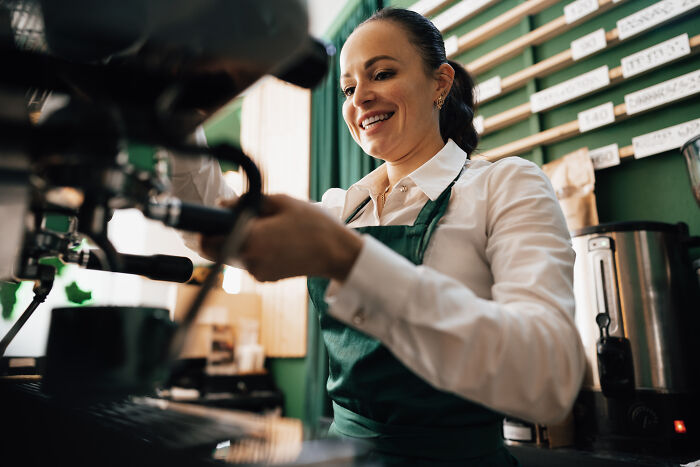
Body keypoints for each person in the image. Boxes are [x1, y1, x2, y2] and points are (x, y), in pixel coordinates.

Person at [182, 8, 585, 466]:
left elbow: (548, 378)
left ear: (440, 83)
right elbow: (211, 224)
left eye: (383, 73)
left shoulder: (505, 185)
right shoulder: (341, 207)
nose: (361, 99)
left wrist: (347, 256)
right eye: (349, 88)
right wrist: (178, 116)